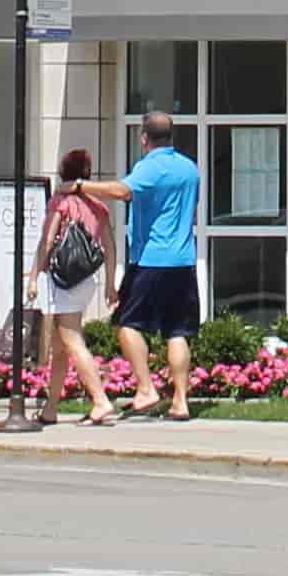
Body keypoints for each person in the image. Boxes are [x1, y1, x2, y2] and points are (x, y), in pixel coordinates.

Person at [102, 110, 206, 419]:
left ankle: (146, 389)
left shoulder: (150, 167)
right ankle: (180, 401)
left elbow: (122, 191)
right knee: (177, 331)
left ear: (144, 139)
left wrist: (80, 186)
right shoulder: (190, 169)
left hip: (150, 261)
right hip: (183, 260)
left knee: (126, 325)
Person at [32, 148, 121, 426]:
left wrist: (34, 275)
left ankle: (100, 400)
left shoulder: (60, 202)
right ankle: (51, 408)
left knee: (72, 340)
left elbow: (47, 240)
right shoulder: (98, 206)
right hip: (86, 281)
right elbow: (109, 246)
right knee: (60, 347)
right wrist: (110, 284)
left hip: (62, 280)